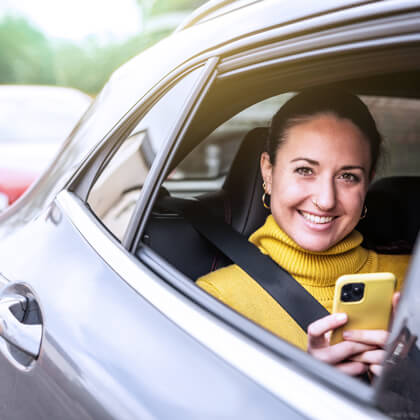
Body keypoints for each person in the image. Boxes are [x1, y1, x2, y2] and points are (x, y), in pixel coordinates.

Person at [197, 88, 411, 378]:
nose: (326, 200)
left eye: (348, 176)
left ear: (367, 185)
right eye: (305, 170)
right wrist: (304, 381)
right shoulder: (216, 299)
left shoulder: (414, 280)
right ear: (268, 172)